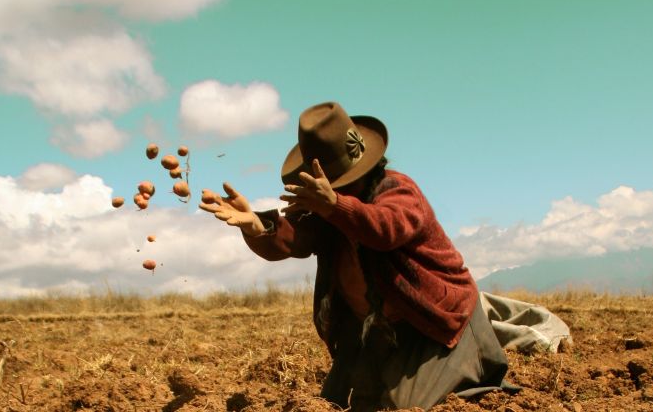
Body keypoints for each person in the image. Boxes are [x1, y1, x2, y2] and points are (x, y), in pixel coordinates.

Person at [199, 101, 513, 411]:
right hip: (377, 329)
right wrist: (259, 226)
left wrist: (334, 205)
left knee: (400, 406)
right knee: (337, 403)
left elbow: (385, 229)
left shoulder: (398, 190)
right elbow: (299, 237)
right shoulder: (327, 213)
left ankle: (476, 373)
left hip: (437, 324)